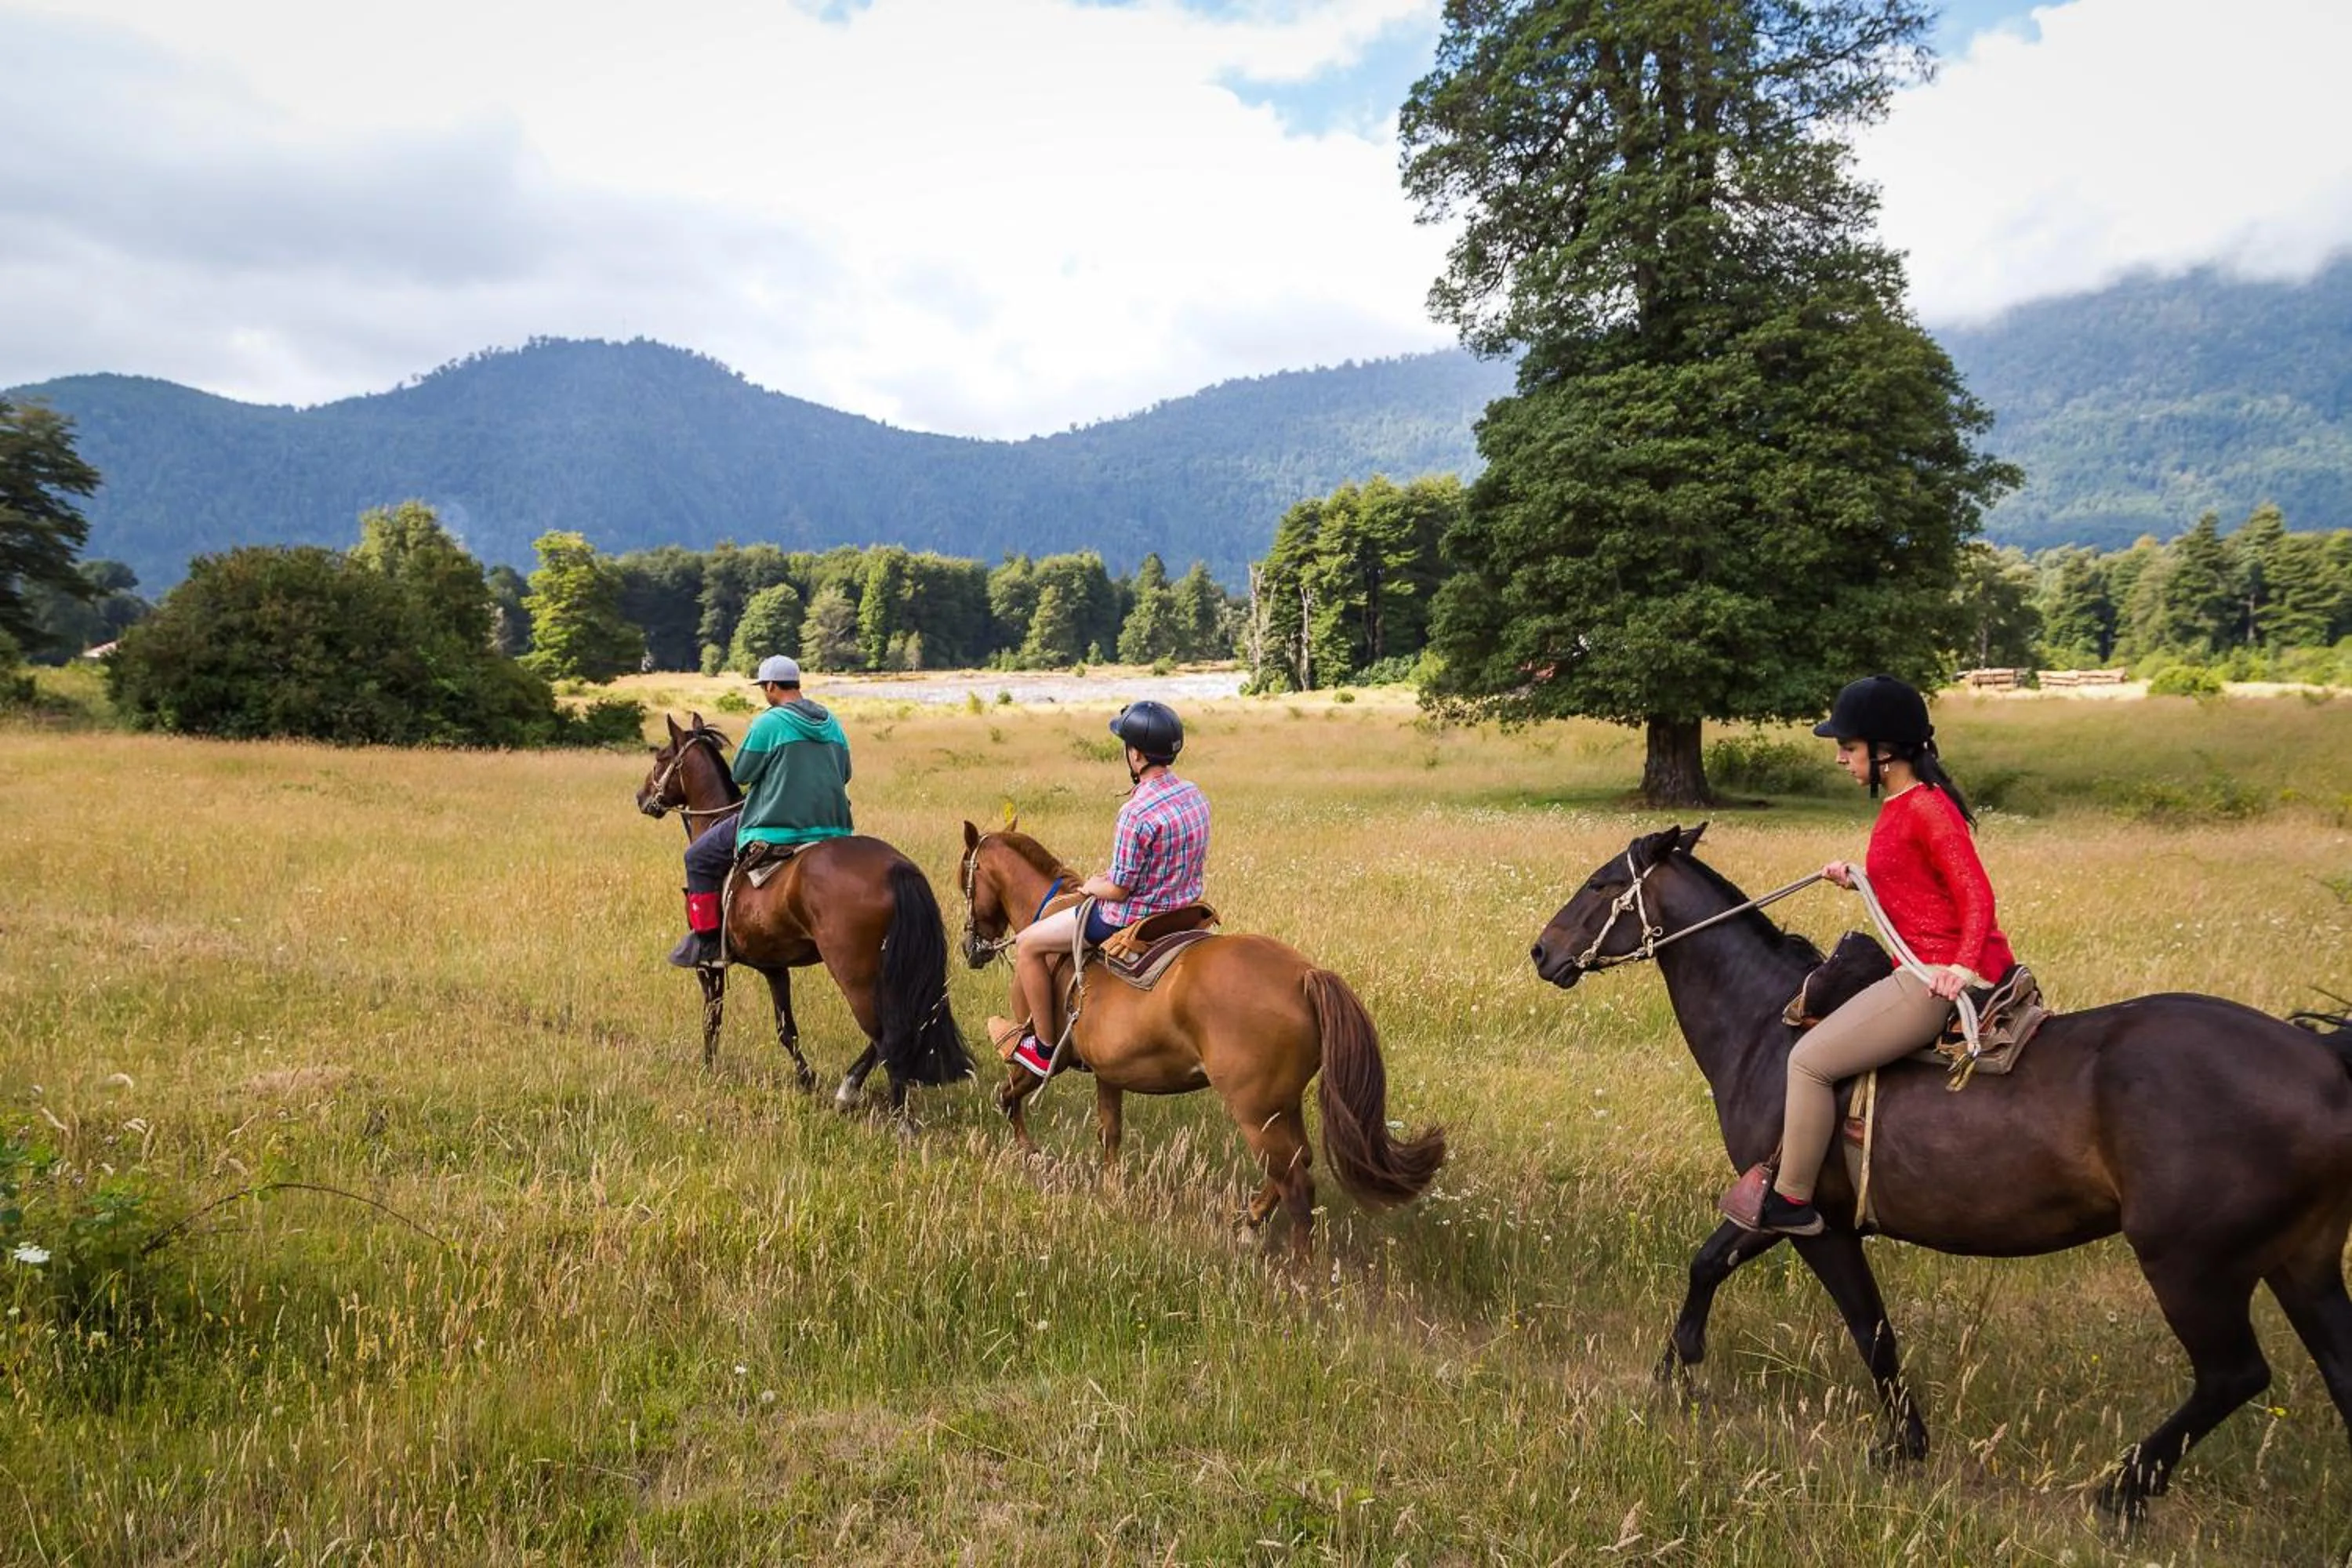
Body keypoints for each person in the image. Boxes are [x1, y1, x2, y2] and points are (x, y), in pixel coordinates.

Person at [1750, 673, 2017, 1236]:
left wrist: (1960, 968)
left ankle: (1792, 1202)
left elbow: (1977, 894)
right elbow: (1916, 881)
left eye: (1849, 748)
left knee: (1808, 1062)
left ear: (1887, 751)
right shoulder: (1903, 803)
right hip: (1918, 963)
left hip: (1932, 975)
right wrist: (1859, 879)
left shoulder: (1928, 809)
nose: (1841, 759)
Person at [1004, 699, 1210, 1076]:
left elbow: (1119, 889)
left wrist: (1094, 885)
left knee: (1028, 944)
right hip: (1183, 910)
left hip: (1131, 918)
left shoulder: (1136, 811)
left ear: (1136, 755)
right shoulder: (1194, 794)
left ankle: (1044, 1049)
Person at [667, 655, 854, 968]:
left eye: (763, 688)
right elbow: (845, 773)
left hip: (775, 823)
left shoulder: (769, 722)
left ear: (770, 686)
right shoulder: (831, 722)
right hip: (833, 828)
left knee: (697, 858)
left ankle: (708, 943)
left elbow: (741, 773)